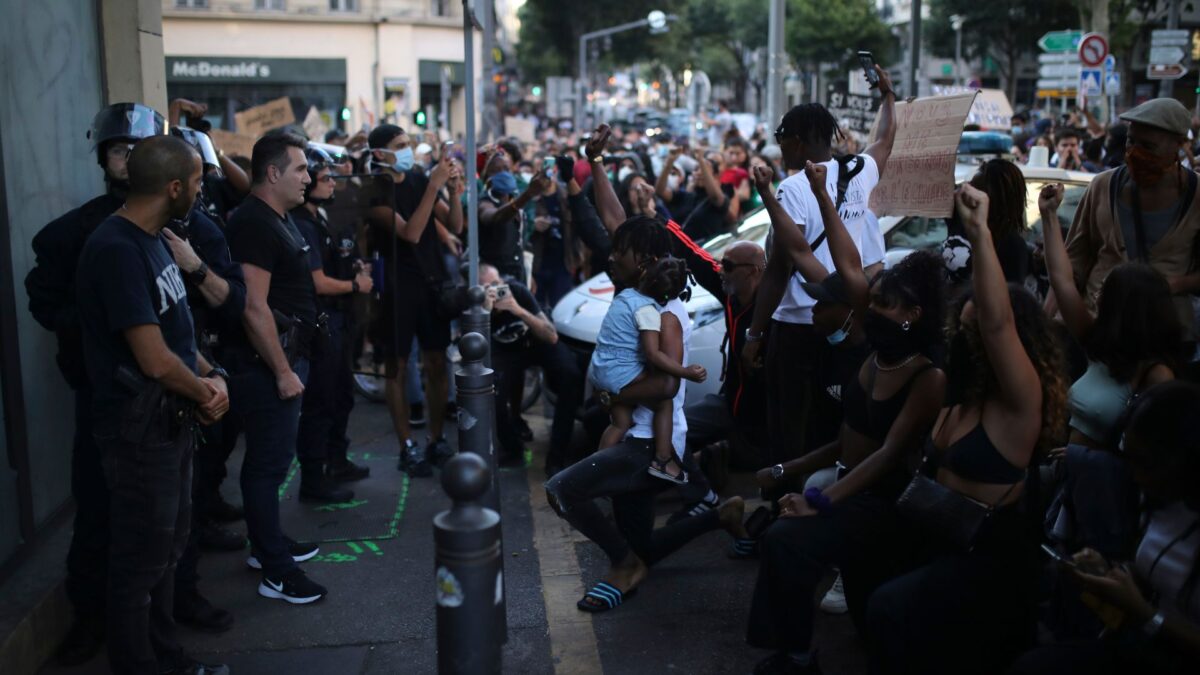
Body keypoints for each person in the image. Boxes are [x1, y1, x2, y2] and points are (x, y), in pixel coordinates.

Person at [866, 183, 1069, 675]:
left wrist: (979, 232)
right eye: (963, 325)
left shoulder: (1021, 407)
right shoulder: (962, 395)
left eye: (977, 329)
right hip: (936, 547)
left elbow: (998, 324)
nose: (969, 333)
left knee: (891, 610)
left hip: (987, 567)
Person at [76, 134, 230, 675]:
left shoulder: (151, 238)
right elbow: (154, 358)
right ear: (172, 187)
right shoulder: (116, 249)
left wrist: (215, 377)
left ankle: (168, 657)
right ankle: (139, 664)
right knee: (141, 562)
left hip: (170, 424)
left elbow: (178, 336)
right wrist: (204, 390)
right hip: (138, 434)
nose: (199, 189)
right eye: (194, 182)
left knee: (167, 551)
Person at [544, 216, 747, 613]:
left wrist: (611, 394)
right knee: (643, 545)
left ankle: (624, 567)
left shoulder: (667, 314)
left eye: (622, 250)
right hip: (637, 430)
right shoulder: (641, 297)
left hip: (646, 441)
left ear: (646, 260)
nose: (613, 255)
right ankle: (721, 515)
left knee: (562, 490)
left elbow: (667, 386)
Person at [23, 102, 165, 665]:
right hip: (108, 395)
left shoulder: (173, 220)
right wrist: (90, 329)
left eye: (138, 150)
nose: (128, 160)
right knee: (99, 507)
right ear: (104, 158)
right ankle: (90, 619)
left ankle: (169, 608)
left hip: (170, 392)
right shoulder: (74, 233)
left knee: (168, 511)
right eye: (118, 150)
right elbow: (45, 297)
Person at [744, 64, 896, 469]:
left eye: (780, 139)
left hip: (797, 324)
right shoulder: (861, 170)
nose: (779, 148)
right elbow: (885, 140)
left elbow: (780, 266)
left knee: (790, 424)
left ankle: (785, 498)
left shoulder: (792, 189)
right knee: (833, 421)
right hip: (847, 323)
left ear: (796, 142)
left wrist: (755, 332)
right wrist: (888, 96)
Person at [1008, 381, 1200, 674]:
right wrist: (1110, 570)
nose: (1135, 476)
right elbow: (1156, 570)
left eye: (1146, 465)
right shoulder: (1160, 502)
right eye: (1130, 461)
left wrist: (1145, 615)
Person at [1039, 182, 1182, 562]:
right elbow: (1062, 279)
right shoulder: (1100, 346)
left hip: (1100, 505)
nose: (1096, 296)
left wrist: (1085, 460)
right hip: (1065, 489)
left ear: (1126, 309)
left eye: (1107, 294)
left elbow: (1149, 462)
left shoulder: (1157, 376)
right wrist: (1050, 216)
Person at [224, 132, 326, 604]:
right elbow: (253, 307)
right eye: (301, 168)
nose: (309, 176)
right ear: (272, 173)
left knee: (272, 462)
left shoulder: (277, 217)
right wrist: (284, 371)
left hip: (287, 354)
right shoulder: (254, 223)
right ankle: (275, 570)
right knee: (267, 467)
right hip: (268, 365)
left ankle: (269, 546)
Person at [161, 125, 246, 635]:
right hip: (143, 400)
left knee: (194, 490)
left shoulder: (201, 226)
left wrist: (210, 377)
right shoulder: (116, 237)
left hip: (199, 374)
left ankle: (183, 595)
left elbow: (231, 300)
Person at [365, 124, 462, 477]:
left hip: (430, 283)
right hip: (396, 287)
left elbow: (454, 223)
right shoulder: (374, 191)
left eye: (409, 144)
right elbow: (411, 232)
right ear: (380, 154)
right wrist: (434, 185)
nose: (408, 150)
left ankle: (436, 439)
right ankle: (407, 444)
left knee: (437, 363)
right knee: (398, 366)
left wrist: (452, 190)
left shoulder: (420, 180)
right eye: (400, 145)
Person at [1066, 98, 1200, 344]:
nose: (1135, 152)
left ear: (1179, 145)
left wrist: (1172, 285)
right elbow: (1072, 264)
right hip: (1099, 330)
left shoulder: (1196, 196)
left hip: (1167, 337)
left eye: (1148, 146)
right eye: (1131, 141)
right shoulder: (1102, 186)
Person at [291, 146, 375, 502]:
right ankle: (314, 478)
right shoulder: (302, 224)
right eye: (323, 177)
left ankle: (336, 459)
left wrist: (351, 269)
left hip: (337, 322)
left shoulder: (318, 218)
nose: (328, 182)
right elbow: (317, 282)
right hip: (321, 324)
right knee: (321, 402)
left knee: (341, 395)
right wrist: (357, 285)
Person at [591, 256, 708, 484]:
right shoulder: (649, 312)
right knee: (664, 400)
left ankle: (595, 472)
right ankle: (663, 459)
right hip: (621, 372)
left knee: (620, 423)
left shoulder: (625, 295)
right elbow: (653, 354)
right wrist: (687, 372)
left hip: (600, 368)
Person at [477, 263, 582, 473]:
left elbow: (551, 336)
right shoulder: (476, 306)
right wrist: (484, 313)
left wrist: (517, 309)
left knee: (571, 376)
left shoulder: (516, 291)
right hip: (506, 352)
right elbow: (476, 350)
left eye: (497, 284)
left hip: (536, 343)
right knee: (492, 398)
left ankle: (557, 456)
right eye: (488, 288)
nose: (496, 292)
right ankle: (513, 448)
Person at [940, 159, 1032, 290]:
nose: (965, 188)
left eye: (973, 187)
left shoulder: (1013, 245)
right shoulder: (961, 216)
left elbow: (1007, 300)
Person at [479, 149, 552, 281]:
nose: (504, 173)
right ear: (486, 176)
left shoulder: (514, 197)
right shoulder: (484, 202)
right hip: (496, 277)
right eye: (497, 170)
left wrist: (528, 274)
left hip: (518, 271)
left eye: (506, 169)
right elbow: (495, 216)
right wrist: (528, 194)